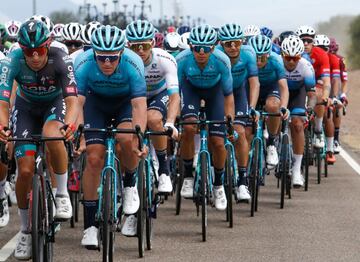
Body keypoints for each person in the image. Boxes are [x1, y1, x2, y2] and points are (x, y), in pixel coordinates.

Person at [0, 20, 79, 260]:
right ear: (21, 49)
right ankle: (25, 229)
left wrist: (71, 124)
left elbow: (73, 101)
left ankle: (63, 193)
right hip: (25, 108)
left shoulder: (61, 58)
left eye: (40, 51)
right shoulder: (12, 61)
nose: (35, 57)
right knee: (24, 171)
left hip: (54, 105)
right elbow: (3, 102)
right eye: (29, 52)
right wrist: (2, 126)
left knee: (52, 134)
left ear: (48, 46)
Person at [74, 25, 147, 249]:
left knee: (127, 140)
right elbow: (77, 103)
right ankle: (90, 227)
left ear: (121, 54)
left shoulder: (134, 63)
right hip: (95, 104)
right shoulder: (83, 64)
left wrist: (139, 139)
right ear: (94, 53)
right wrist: (80, 136)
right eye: (102, 58)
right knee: (94, 158)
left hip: (124, 104)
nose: (107, 63)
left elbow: (139, 105)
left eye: (112, 58)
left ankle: (129, 186)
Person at [177, 24, 235, 211]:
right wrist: (176, 117)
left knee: (218, 142)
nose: (201, 53)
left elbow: (228, 95)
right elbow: (175, 93)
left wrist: (229, 122)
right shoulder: (182, 60)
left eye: (207, 49)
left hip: (215, 92)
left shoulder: (222, 60)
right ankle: (187, 175)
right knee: (188, 127)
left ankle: (218, 185)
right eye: (197, 48)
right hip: (190, 89)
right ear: (191, 46)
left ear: (213, 47)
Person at [217, 23, 260, 200]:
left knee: (240, 132)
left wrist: (252, 108)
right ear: (221, 44)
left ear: (242, 42)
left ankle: (242, 181)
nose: (233, 47)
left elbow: (254, 83)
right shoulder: (216, 55)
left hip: (239, 92)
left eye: (236, 43)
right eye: (228, 44)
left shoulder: (249, 54)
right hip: (218, 92)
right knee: (217, 135)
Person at [248, 34, 290, 168]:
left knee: (273, 106)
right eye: (256, 57)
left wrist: (283, 107)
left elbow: (284, 87)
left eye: (263, 57)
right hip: (250, 88)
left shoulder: (276, 60)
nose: (259, 61)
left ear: (268, 54)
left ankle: (271, 143)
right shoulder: (245, 60)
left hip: (271, 88)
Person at [281, 35, 316, 186]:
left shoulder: (306, 67)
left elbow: (311, 93)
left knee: (297, 124)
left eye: (295, 58)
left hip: (297, 95)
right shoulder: (276, 63)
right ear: (282, 54)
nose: (290, 62)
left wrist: (309, 109)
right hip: (279, 93)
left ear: (300, 56)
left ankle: (296, 170)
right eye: (288, 57)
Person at [296, 26, 331, 151]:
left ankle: (317, 130)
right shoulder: (294, 51)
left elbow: (327, 80)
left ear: (313, 42)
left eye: (308, 41)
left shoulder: (321, 54)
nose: (305, 43)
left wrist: (326, 96)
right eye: (302, 40)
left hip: (316, 83)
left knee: (319, 95)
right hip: (298, 83)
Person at [314, 34, 340, 164]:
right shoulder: (311, 56)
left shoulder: (333, 59)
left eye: (324, 48)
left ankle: (330, 149)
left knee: (328, 114)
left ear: (328, 49)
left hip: (326, 85)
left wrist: (334, 97)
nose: (321, 50)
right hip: (313, 84)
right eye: (318, 47)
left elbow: (335, 80)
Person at [329, 37, 348, 153]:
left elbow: (344, 80)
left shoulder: (341, 60)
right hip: (322, 84)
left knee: (338, 106)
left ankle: (335, 138)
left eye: (334, 53)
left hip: (335, 86)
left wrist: (343, 94)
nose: (332, 55)